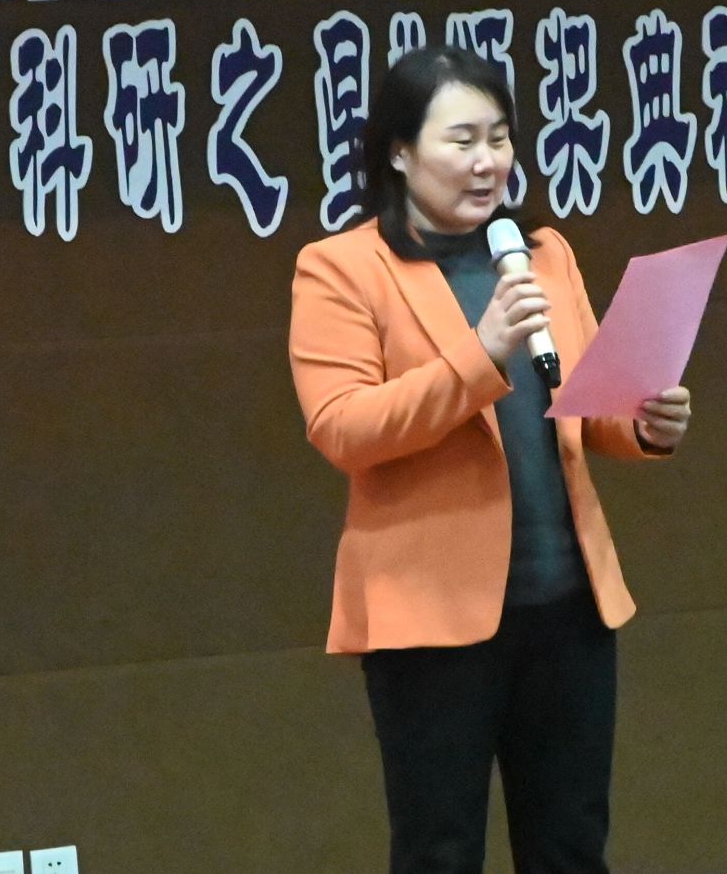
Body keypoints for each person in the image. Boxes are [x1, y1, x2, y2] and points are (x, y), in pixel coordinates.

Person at [289, 44, 691, 874]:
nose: (488, 162)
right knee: (439, 851)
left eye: (500, 137)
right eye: (462, 139)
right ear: (399, 152)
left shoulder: (542, 254)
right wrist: (480, 354)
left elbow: (583, 407)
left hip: (568, 605)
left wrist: (647, 421)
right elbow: (344, 427)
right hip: (429, 617)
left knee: (571, 846)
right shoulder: (342, 268)